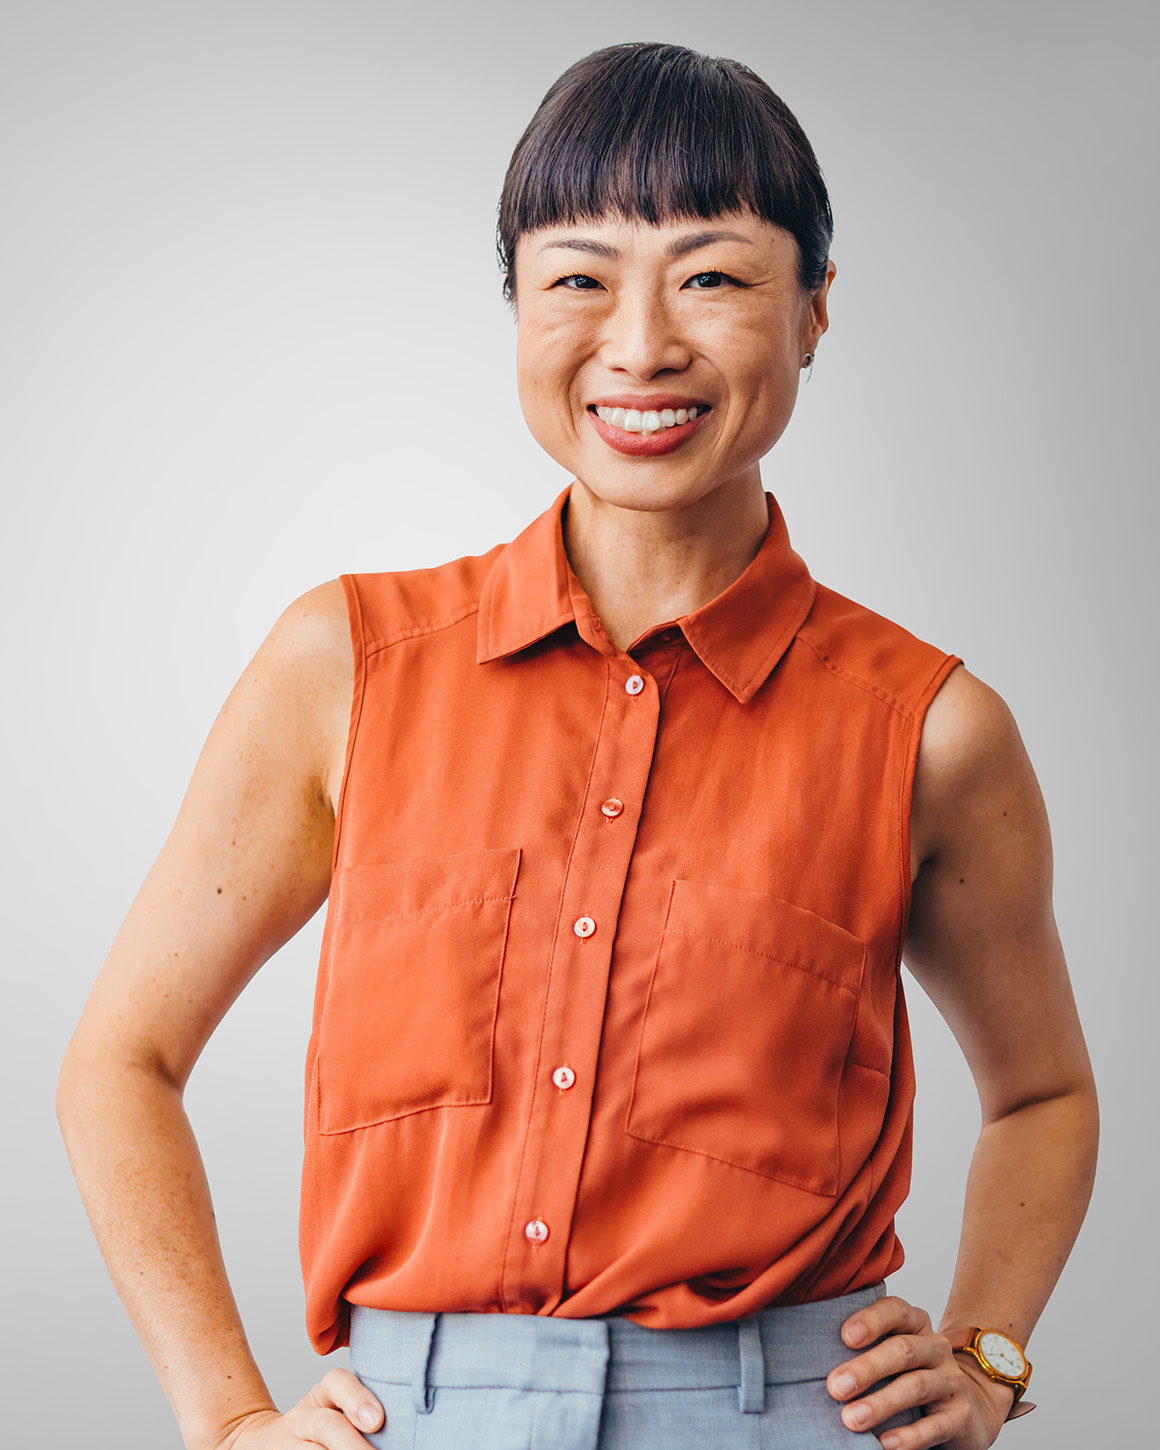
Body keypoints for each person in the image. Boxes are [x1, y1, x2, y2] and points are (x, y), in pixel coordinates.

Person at [57, 41, 1097, 1450]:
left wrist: (986, 1357)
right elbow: (119, 1062)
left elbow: (1043, 1093)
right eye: (578, 278)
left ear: (814, 310)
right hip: (414, 1416)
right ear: (517, 306)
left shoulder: (931, 729)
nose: (641, 344)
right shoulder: (344, 668)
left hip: (787, 1415)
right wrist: (227, 1414)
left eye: (712, 276)